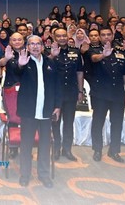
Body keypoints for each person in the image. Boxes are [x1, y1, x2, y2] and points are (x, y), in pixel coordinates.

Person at [8, 35, 60, 188]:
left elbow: (57, 85)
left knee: (45, 144)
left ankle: (44, 175)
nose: (35, 46)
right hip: (28, 111)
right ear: (27, 47)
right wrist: (20, 65)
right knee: (26, 144)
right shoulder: (23, 61)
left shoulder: (51, 63)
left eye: (38, 44)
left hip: (46, 110)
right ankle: (25, 175)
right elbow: (15, 74)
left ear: (42, 47)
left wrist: (57, 106)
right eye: (32, 44)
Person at [89, 27, 125, 162]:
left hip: (118, 93)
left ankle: (114, 151)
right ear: (99, 37)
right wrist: (103, 55)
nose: (106, 37)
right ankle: (97, 150)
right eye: (103, 35)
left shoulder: (120, 52)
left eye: (108, 34)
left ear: (112, 36)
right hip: (100, 93)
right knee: (98, 122)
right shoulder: (94, 50)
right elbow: (94, 59)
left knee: (117, 123)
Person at [46, 26, 83, 161]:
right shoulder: (47, 52)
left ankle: (67, 149)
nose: (62, 38)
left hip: (71, 92)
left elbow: (79, 72)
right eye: (59, 36)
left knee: (69, 122)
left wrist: (80, 90)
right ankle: (56, 149)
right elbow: (43, 68)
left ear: (68, 37)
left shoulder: (75, 52)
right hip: (55, 94)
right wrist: (52, 56)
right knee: (55, 123)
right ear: (54, 37)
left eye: (64, 36)